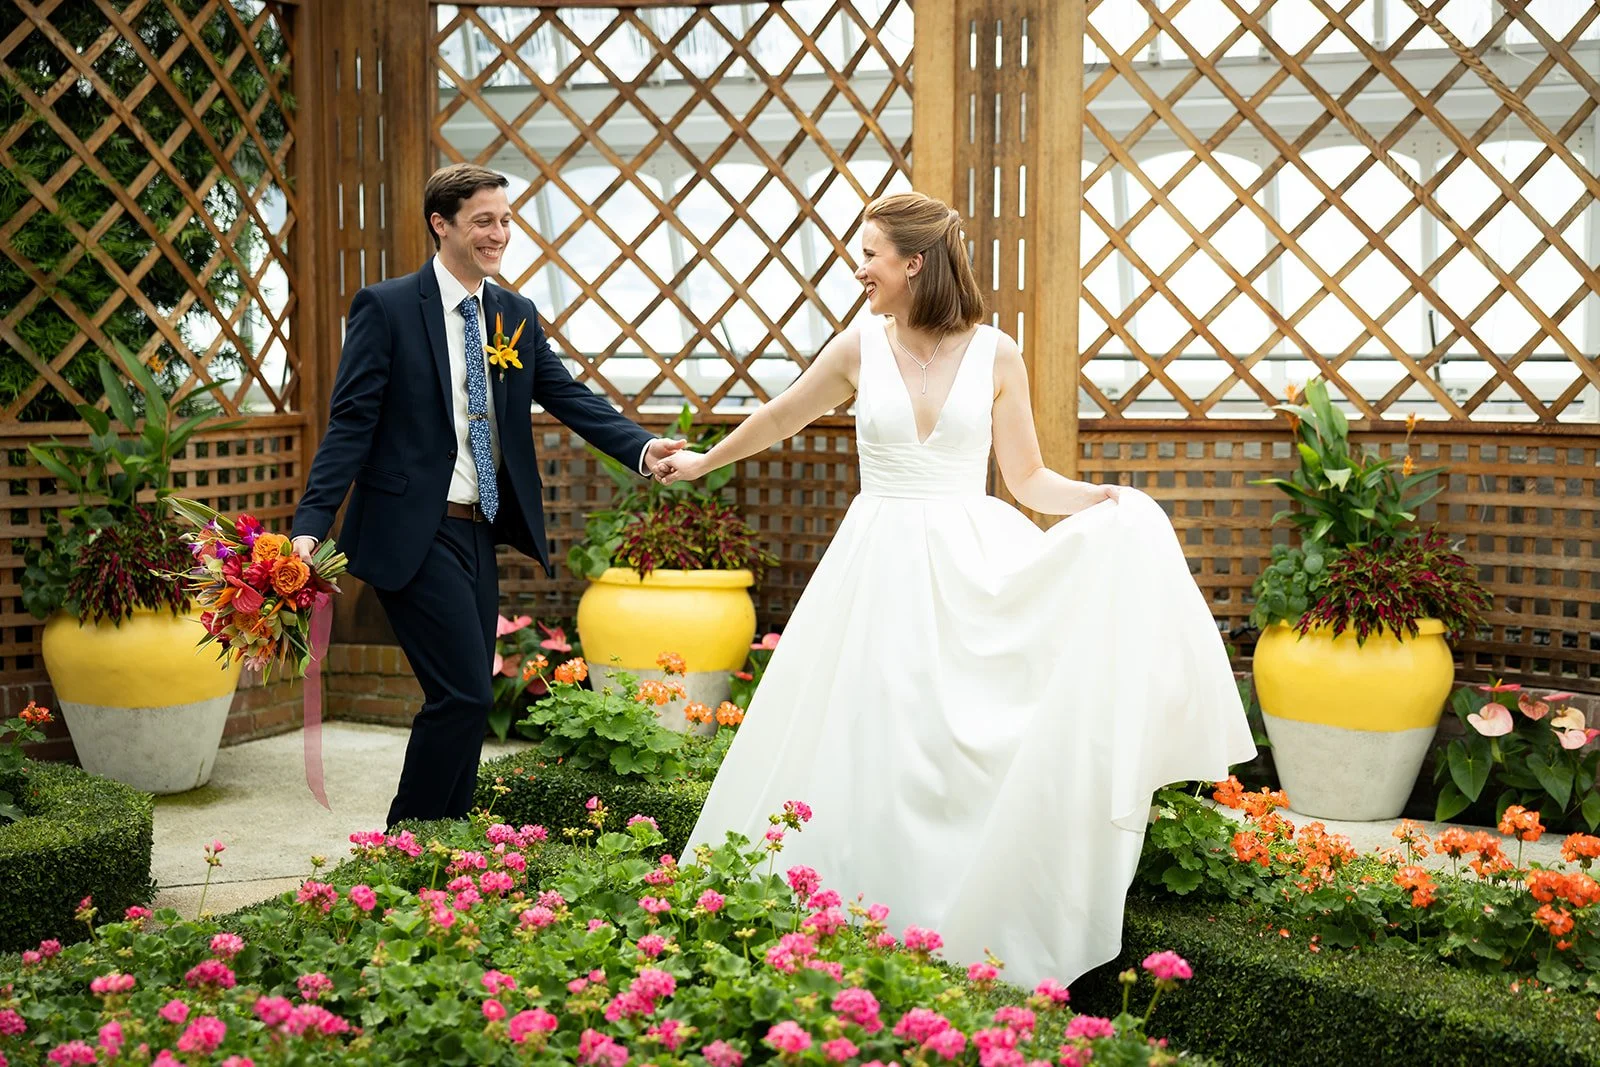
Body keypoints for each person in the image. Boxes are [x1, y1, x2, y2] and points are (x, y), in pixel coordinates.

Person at [655, 191, 1255, 987]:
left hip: (972, 563)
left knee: (956, 745)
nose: (857, 266)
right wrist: (701, 462)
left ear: (915, 262)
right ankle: (850, 912)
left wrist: (1109, 504)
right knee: (871, 740)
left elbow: (1028, 478)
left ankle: (956, 914)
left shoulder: (999, 354)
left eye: (869, 254)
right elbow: (779, 418)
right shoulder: (858, 345)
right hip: (875, 569)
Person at [290, 164, 686, 827]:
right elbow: (350, 424)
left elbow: (569, 397)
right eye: (483, 220)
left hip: (479, 530)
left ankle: (445, 844)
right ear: (440, 224)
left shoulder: (513, 315)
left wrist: (644, 449)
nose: (498, 233)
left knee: (466, 700)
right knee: (464, 693)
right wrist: (310, 523)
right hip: (411, 531)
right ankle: (406, 842)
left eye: (505, 219)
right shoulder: (385, 309)